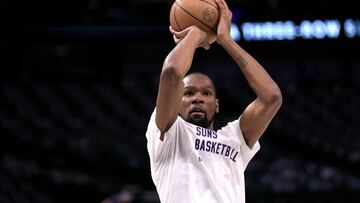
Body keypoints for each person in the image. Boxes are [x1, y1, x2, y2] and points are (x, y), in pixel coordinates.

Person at [145, 0, 282, 202]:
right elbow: (172, 72)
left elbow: (271, 97)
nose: (198, 98)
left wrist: (226, 40)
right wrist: (195, 34)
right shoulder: (168, 135)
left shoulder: (234, 139)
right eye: (188, 93)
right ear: (176, 101)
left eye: (206, 93)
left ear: (216, 105)